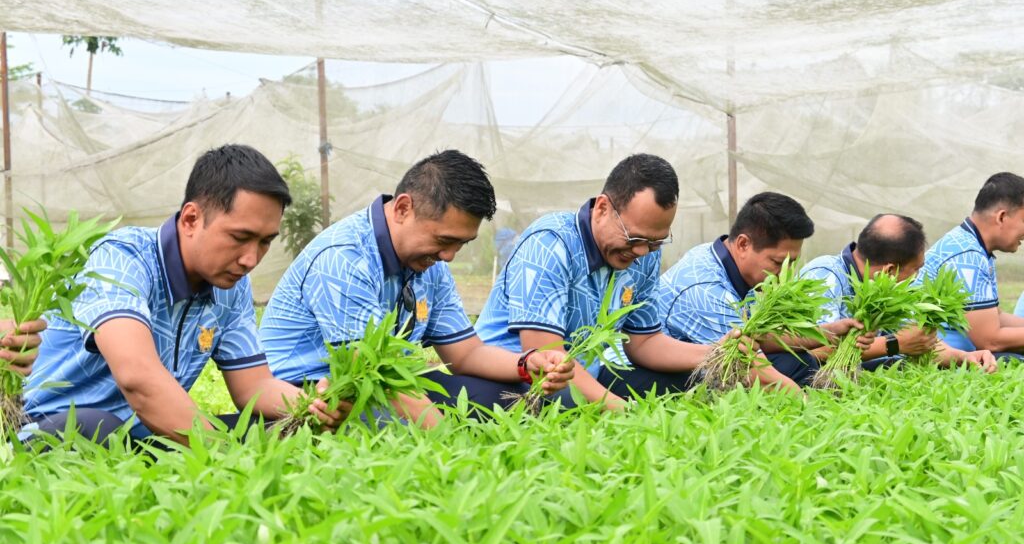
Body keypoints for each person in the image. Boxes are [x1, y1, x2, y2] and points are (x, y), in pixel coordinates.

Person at [22, 145, 345, 445]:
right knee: (93, 425)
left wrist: (310, 405)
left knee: (273, 430)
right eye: (239, 237)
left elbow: (254, 387)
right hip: (58, 425)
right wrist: (221, 455)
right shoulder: (122, 260)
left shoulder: (230, 287)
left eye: (264, 241)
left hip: (150, 434)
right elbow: (138, 377)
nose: (250, 259)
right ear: (191, 219)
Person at [259, 150, 573, 422]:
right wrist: (446, 439)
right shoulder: (344, 258)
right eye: (444, 240)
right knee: (397, 423)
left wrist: (527, 362)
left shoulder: (428, 263)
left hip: (388, 381)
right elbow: (374, 374)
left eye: (461, 244)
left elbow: (466, 354)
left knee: (510, 395)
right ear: (402, 209)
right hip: (315, 391)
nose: (449, 256)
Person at [475, 153, 724, 410]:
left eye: (655, 241)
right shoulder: (550, 243)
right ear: (603, 208)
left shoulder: (645, 254)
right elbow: (546, 354)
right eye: (634, 238)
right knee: (542, 400)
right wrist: (624, 411)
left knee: (680, 383)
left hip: (586, 373)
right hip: (524, 377)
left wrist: (716, 352)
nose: (641, 251)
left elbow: (644, 341)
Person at [660, 192, 868, 390]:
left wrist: (830, 332)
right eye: (778, 262)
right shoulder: (705, 289)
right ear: (743, 244)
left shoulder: (729, 262)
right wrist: (807, 404)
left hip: (710, 356)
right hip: (666, 373)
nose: (782, 274)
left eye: (790, 264)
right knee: (780, 372)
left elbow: (758, 337)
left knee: (797, 362)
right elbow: (748, 364)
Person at [801, 213, 996, 372]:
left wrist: (964, 357)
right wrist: (893, 344)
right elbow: (816, 350)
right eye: (915, 270)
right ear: (889, 270)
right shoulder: (825, 274)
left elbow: (916, 341)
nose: (917, 277)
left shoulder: (888, 290)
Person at [921, 172, 1024, 359]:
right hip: (939, 356)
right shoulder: (966, 257)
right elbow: (991, 340)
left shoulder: (973, 246)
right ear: (1002, 217)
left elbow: (994, 317)